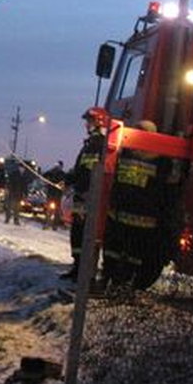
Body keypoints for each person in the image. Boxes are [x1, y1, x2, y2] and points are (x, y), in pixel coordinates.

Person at [102, 120, 163, 290]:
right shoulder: (159, 160)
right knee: (127, 253)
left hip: (124, 213)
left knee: (122, 252)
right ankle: (118, 283)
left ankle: (113, 281)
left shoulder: (126, 154)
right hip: (137, 216)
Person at [61, 107, 108, 281]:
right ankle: (77, 268)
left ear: (98, 122)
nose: (86, 125)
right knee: (77, 233)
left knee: (87, 235)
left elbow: (93, 172)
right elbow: (80, 169)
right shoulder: (88, 145)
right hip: (81, 196)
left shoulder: (102, 145)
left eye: (89, 121)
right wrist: (68, 181)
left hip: (91, 198)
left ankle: (85, 273)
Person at [42, 160, 66, 230]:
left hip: (57, 195)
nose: (57, 167)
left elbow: (64, 183)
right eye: (56, 165)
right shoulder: (51, 172)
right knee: (49, 210)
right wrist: (50, 171)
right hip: (50, 194)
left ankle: (54, 225)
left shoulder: (62, 174)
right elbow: (44, 175)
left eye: (59, 166)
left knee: (56, 212)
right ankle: (47, 224)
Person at [4, 161, 30, 226]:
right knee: (10, 207)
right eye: (21, 168)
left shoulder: (24, 176)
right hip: (12, 193)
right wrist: (9, 189)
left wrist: (26, 194)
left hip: (19, 195)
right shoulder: (14, 174)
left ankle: (16, 220)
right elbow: (10, 183)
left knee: (17, 209)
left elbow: (25, 186)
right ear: (19, 168)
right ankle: (7, 219)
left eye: (23, 168)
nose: (22, 169)